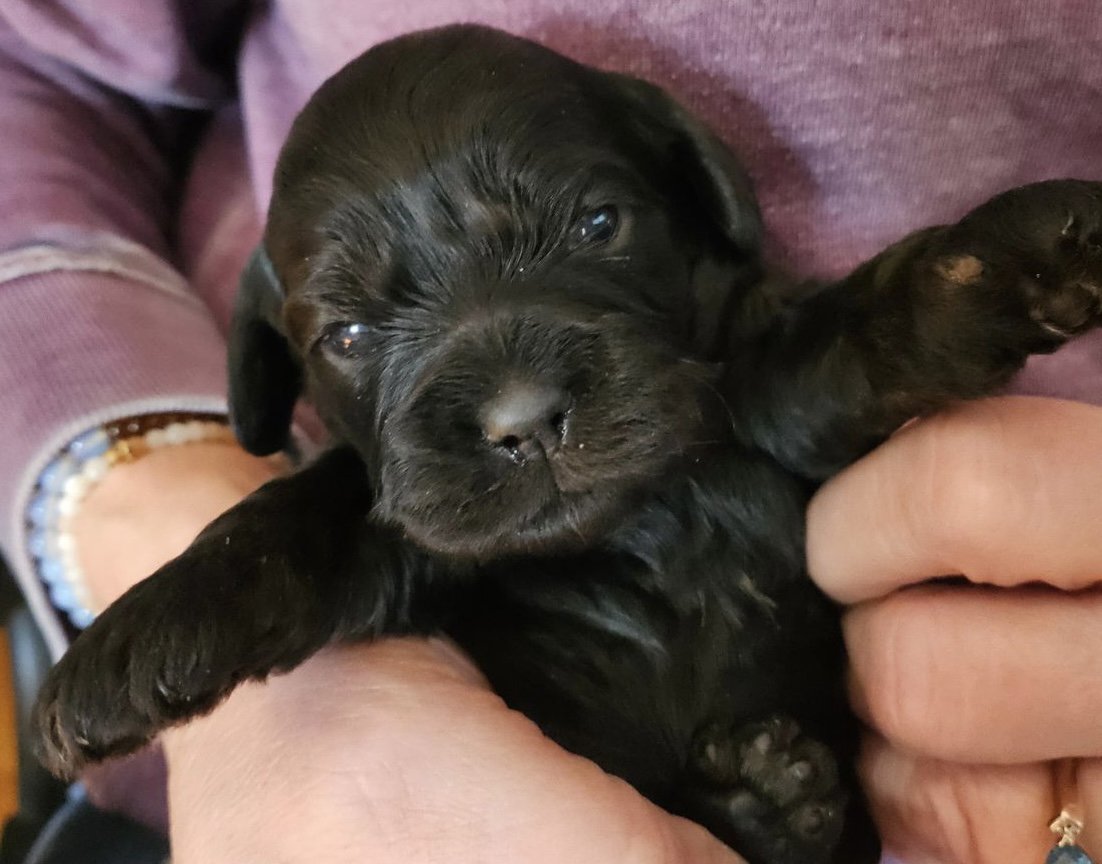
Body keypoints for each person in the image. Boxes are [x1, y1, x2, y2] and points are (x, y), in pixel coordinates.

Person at [0, 1, 1098, 862]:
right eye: (351, 330)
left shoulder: (740, 361)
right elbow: (37, 68)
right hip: (368, 796)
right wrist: (159, 531)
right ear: (270, 364)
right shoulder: (390, 517)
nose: (514, 405)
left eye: (591, 224)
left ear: (694, 190)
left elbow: (848, 360)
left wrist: (984, 282)